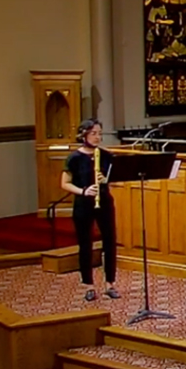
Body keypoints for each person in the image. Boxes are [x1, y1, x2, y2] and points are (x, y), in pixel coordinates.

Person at [60, 119, 119, 302]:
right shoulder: (74, 158)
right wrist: (84, 191)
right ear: (83, 134)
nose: (97, 137)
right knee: (85, 244)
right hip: (83, 204)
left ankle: (110, 283)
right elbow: (65, 184)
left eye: (99, 133)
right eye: (94, 133)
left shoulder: (106, 155)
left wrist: (105, 180)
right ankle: (89, 285)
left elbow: (114, 178)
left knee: (110, 242)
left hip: (104, 202)